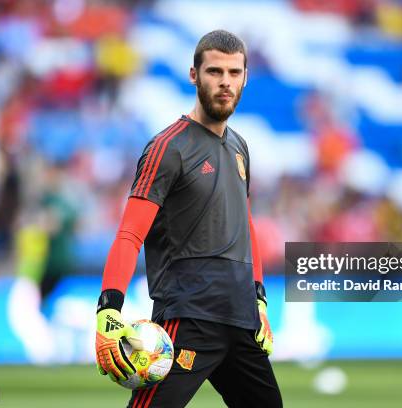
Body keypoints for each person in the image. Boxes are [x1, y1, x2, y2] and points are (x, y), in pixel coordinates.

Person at [94, 30, 283, 408]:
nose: (225, 82)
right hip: (188, 317)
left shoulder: (240, 147)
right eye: (215, 71)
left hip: (241, 320)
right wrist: (108, 309)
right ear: (194, 74)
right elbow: (130, 233)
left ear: (245, 77)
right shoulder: (168, 147)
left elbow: (245, 225)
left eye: (234, 72)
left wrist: (258, 299)